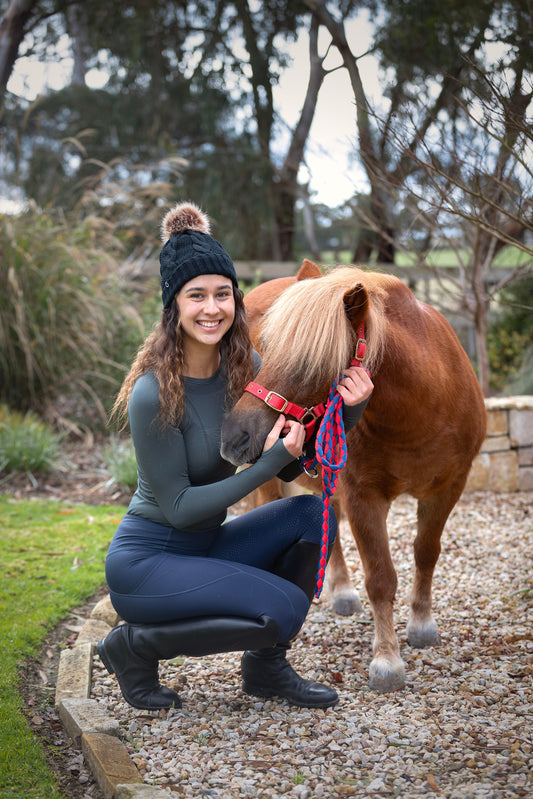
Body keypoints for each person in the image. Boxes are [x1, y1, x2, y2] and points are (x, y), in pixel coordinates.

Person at [97, 201, 374, 712]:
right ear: (173, 306)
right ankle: (133, 646)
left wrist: (350, 412)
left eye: (222, 294)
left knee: (312, 514)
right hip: (148, 564)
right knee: (284, 608)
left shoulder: (250, 373)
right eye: (195, 295)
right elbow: (180, 508)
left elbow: (296, 463)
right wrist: (265, 467)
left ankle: (265, 670)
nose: (211, 308)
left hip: (208, 549)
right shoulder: (152, 392)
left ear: (236, 301)